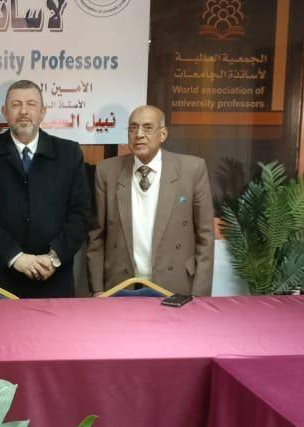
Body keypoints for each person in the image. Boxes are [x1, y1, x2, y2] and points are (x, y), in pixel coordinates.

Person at [0, 80, 91, 298]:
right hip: (0, 278)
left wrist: (53, 258)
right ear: (5, 112)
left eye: (31, 104)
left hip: (53, 277)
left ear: (43, 112)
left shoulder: (68, 153)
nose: (24, 111)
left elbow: (81, 214)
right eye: (16, 105)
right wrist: (16, 257)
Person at [86, 105, 214, 296]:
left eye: (147, 127)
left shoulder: (192, 169)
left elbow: (205, 238)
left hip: (174, 284)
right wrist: (97, 290)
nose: (139, 134)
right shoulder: (107, 171)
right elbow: (97, 235)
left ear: (163, 134)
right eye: (133, 127)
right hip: (120, 285)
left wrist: (199, 296)